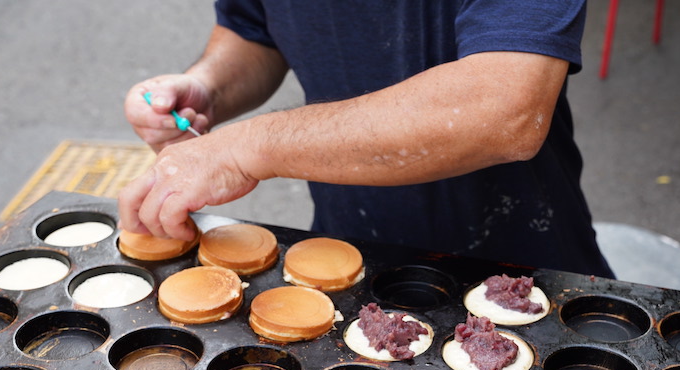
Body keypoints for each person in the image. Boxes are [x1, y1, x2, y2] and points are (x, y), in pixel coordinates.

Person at [119, 0, 613, 277]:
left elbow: (504, 108)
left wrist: (243, 148)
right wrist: (207, 86)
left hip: (524, 269)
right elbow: (254, 30)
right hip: (343, 261)